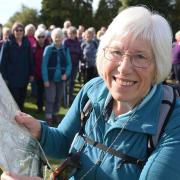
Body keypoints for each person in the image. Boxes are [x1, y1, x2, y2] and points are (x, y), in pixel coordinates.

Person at [2, 6, 180, 180]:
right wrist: (39, 131)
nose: (124, 68)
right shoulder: (93, 90)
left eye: (140, 56)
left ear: (159, 64)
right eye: (116, 52)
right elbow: (64, 141)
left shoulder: (173, 120)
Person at [0, 22, 34, 111]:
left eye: (21, 30)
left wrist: (31, 74)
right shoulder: (7, 44)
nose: (19, 32)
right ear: (13, 31)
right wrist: (5, 78)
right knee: (14, 101)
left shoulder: (27, 43)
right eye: (16, 30)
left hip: (24, 76)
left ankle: (21, 120)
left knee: (21, 100)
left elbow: (30, 59)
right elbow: (2, 63)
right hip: (12, 78)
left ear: (23, 32)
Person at [42, 28, 72, 125]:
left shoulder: (65, 49)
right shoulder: (48, 49)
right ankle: (48, 115)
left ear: (63, 38)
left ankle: (55, 114)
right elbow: (44, 65)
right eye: (56, 37)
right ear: (52, 38)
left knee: (59, 97)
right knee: (51, 97)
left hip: (61, 79)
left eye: (59, 37)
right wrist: (45, 79)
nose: (58, 39)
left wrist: (66, 74)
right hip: (50, 78)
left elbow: (69, 64)